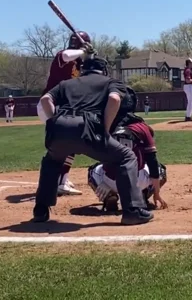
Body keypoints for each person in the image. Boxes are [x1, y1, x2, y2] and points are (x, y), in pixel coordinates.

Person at [32, 56, 153, 225]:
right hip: (88, 127)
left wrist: (54, 122)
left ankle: (40, 210)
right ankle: (132, 211)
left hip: (59, 127)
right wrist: (105, 129)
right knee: (126, 157)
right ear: (104, 71)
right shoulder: (111, 82)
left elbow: (45, 100)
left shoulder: (66, 83)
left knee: (52, 162)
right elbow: (115, 99)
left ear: (82, 70)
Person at [87, 87, 168, 212]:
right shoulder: (141, 127)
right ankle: (142, 194)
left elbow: (98, 154)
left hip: (111, 180)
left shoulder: (105, 125)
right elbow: (152, 161)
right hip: (138, 181)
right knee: (160, 169)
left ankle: (109, 195)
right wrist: (157, 193)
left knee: (93, 170)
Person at [36, 31, 92, 196]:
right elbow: (66, 55)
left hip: (62, 107)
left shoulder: (80, 63)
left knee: (71, 140)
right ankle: (59, 181)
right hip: (49, 104)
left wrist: (90, 56)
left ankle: (62, 178)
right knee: (69, 139)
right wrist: (83, 52)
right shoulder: (64, 55)